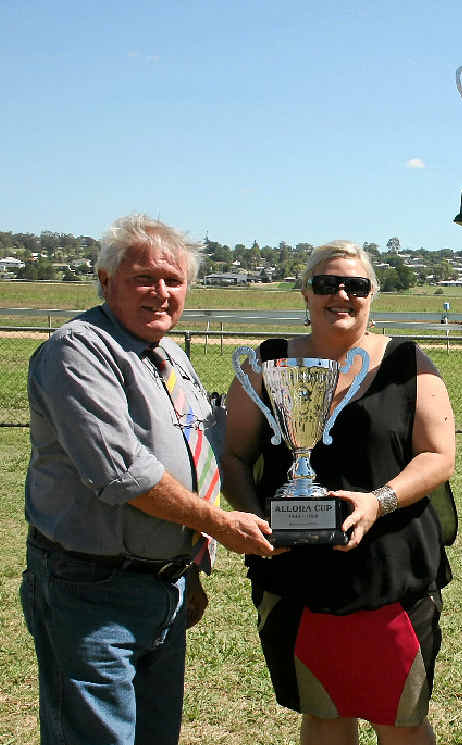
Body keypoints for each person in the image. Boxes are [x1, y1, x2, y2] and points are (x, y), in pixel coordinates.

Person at [20, 214, 276, 745]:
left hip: (165, 586)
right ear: (106, 280)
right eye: (144, 279)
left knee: (155, 734)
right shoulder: (79, 350)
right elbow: (123, 472)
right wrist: (220, 525)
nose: (161, 292)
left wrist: (192, 566)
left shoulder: (171, 356)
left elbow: (201, 455)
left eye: (174, 281)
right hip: (90, 589)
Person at [222, 240, 456, 745]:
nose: (341, 295)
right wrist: (257, 521)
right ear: (305, 293)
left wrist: (378, 501)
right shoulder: (268, 365)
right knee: (323, 713)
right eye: (327, 284)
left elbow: (439, 455)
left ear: (373, 295)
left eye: (356, 286)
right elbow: (234, 457)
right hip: (295, 568)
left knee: (401, 717)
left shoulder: (407, 362)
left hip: (391, 569)